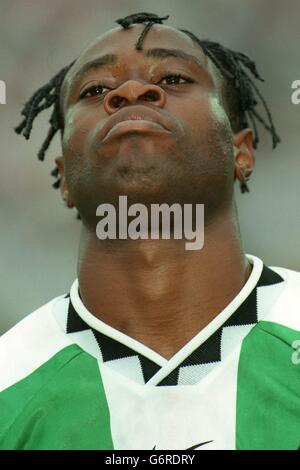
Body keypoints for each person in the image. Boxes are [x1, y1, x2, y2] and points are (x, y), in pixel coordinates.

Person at [1, 12, 299, 450]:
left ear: (242, 153)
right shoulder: (9, 383)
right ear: (63, 177)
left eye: (175, 78)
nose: (132, 90)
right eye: (96, 89)